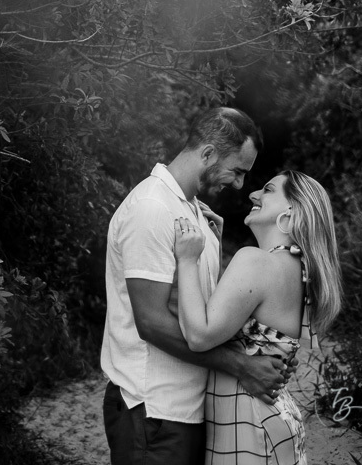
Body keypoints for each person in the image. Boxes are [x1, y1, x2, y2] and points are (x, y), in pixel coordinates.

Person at [102, 107, 292, 465]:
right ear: (207, 154)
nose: (239, 185)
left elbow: (199, 311)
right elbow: (151, 321)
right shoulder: (152, 208)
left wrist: (214, 253)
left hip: (185, 410)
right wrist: (241, 366)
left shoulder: (192, 211)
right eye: (237, 171)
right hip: (153, 412)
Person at [174, 169, 342, 464]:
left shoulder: (255, 261)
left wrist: (188, 260)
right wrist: (217, 248)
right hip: (275, 420)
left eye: (267, 189)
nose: (253, 194)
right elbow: (245, 319)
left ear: (292, 211)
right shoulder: (301, 272)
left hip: (248, 425)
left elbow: (199, 336)